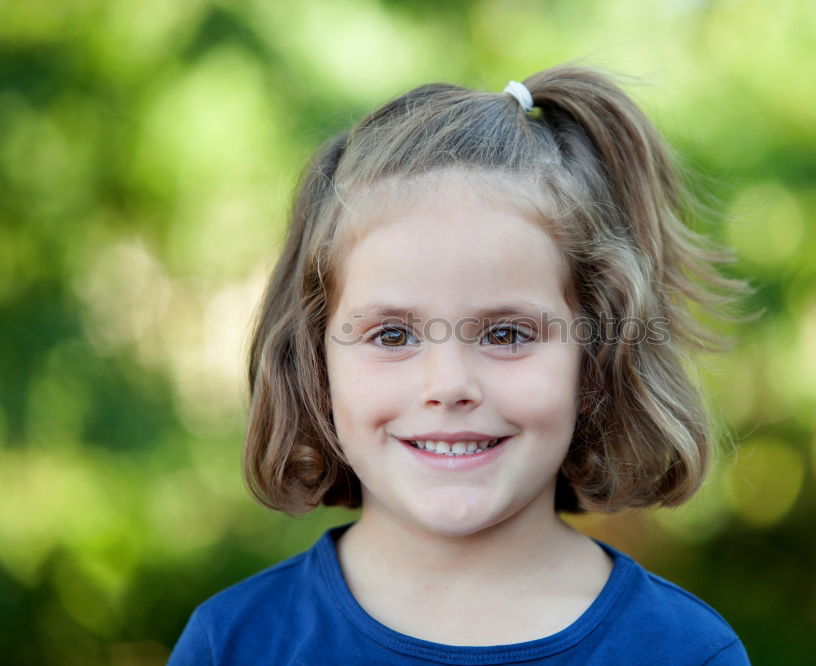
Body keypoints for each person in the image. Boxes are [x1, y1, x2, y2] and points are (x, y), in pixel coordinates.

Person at [168, 65, 753, 665]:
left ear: (596, 357)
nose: (448, 385)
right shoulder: (233, 645)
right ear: (315, 364)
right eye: (392, 335)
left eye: (505, 333)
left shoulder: (685, 652)